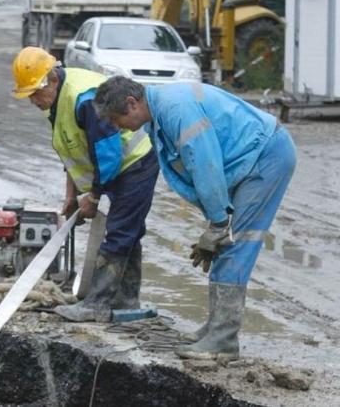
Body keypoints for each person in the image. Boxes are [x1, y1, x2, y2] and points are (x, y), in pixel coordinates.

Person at [93, 76, 296, 360]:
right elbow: (191, 171)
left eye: (116, 119)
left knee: (235, 243)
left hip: (265, 157)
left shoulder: (175, 109)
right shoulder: (156, 115)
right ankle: (216, 328)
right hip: (247, 158)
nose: (116, 127)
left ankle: (223, 340)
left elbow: (204, 163)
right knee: (226, 241)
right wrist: (216, 222)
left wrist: (218, 223)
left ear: (131, 103)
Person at [10, 47, 159, 322]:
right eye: (28, 95)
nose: (32, 101)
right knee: (128, 230)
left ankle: (97, 305)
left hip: (134, 165)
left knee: (119, 232)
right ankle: (126, 302)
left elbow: (108, 154)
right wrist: (71, 194)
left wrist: (93, 196)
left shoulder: (84, 99)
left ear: (52, 80)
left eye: (35, 93)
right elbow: (71, 150)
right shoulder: (55, 101)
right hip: (117, 168)